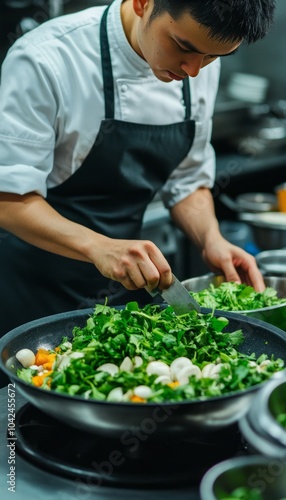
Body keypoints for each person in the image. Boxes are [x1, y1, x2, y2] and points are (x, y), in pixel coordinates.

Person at [0, 0, 275, 336]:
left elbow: (187, 180)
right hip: (36, 293)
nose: (193, 71)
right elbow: (8, 198)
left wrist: (210, 238)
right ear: (144, 3)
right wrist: (100, 247)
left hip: (130, 294)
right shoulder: (47, 58)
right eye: (182, 46)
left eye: (213, 57)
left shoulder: (198, 61)